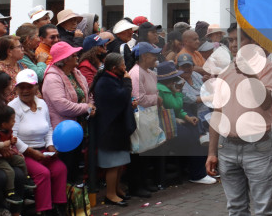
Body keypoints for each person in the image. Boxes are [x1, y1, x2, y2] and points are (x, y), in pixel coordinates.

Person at [207, 36, 272, 215]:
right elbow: (217, 112)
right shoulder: (225, 71)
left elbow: (266, 103)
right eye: (231, 40)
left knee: (263, 208)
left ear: (254, 44)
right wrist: (212, 152)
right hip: (228, 148)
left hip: (258, 148)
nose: (233, 44)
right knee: (236, 208)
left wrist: (251, 75)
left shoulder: (267, 67)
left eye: (239, 40)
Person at [9, 69, 68, 216]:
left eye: (29, 86)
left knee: (60, 169)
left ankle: (60, 207)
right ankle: (44, 210)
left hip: (43, 149)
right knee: (43, 173)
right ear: (16, 88)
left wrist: (50, 146)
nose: (25, 90)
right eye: (21, 87)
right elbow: (13, 137)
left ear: (36, 87)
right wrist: (31, 152)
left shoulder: (42, 103)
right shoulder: (13, 107)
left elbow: (48, 128)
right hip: (23, 154)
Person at [156, 61, 215, 185]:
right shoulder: (163, 89)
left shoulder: (168, 87)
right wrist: (177, 92)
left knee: (195, 128)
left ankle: (202, 169)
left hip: (174, 120)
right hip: (164, 126)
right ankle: (197, 174)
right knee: (193, 138)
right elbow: (176, 105)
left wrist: (187, 117)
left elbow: (179, 110)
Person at [42, 41, 93, 184]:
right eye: (74, 55)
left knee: (75, 164)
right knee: (67, 166)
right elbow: (62, 106)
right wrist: (86, 107)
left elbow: (87, 94)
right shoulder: (52, 78)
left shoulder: (76, 73)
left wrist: (91, 106)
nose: (78, 57)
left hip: (78, 127)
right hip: (63, 130)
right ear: (65, 60)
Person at [92, 53, 137, 207]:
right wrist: (127, 82)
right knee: (112, 164)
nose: (125, 68)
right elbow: (121, 97)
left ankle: (117, 189)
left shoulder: (113, 79)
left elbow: (122, 100)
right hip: (110, 129)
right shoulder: (105, 82)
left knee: (120, 163)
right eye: (123, 65)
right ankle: (110, 194)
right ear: (114, 67)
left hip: (119, 128)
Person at [127, 41, 164, 198]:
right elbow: (139, 98)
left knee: (148, 150)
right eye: (152, 55)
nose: (155, 57)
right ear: (143, 56)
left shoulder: (149, 72)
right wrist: (156, 98)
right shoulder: (136, 73)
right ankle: (136, 185)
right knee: (139, 152)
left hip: (150, 116)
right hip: (141, 116)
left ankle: (145, 181)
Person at [0, 105, 31, 206]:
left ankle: (26, 178)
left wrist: (13, 146)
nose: (14, 122)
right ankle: (10, 192)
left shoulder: (8, 131)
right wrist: (5, 144)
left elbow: (9, 145)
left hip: (5, 154)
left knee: (20, 160)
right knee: (9, 171)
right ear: (3, 124)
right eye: (12, 120)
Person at [0, 35, 28, 102]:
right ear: (9, 52)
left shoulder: (22, 66)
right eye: (19, 47)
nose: (23, 49)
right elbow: (0, 97)